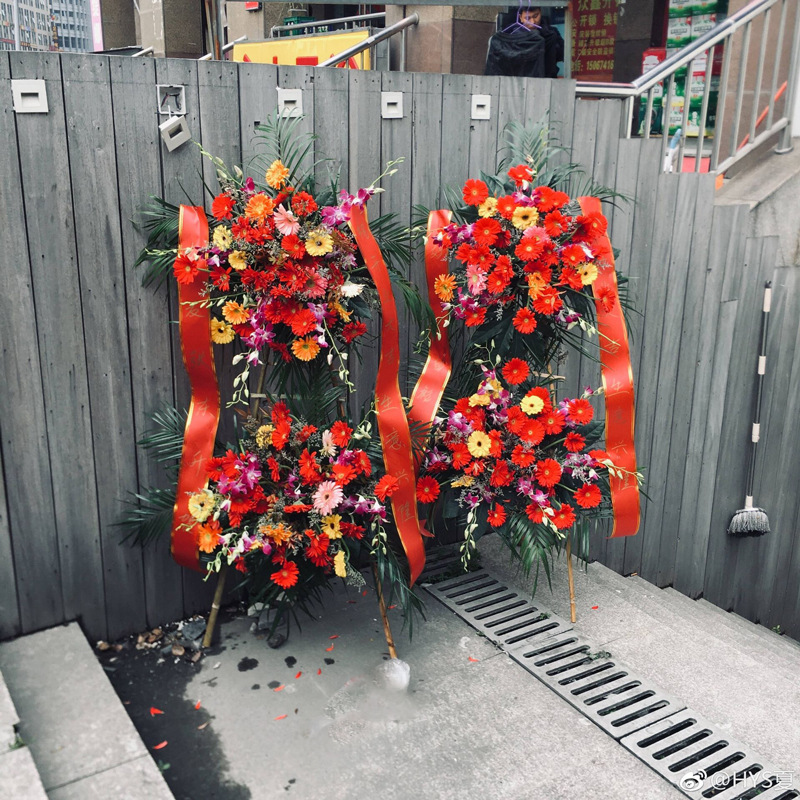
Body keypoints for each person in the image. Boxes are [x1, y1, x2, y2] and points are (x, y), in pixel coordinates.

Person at [484, 6, 563, 79]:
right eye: (527, 18)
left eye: (536, 16)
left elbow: (563, 55)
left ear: (540, 12)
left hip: (546, 79)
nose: (533, 22)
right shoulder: (509, 35)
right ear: (520, 18)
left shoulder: (552, 33)